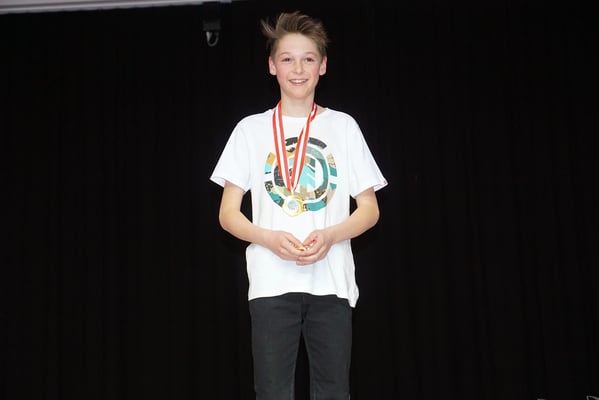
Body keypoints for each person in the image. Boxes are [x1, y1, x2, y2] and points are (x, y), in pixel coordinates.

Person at [210, 10, 388, 400]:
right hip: (271, 282)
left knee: (333, 391)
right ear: (272, 66)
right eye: (287, 59)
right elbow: (227, 214)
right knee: (272, 392)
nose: (298, 69)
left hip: (331, 281)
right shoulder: (250, 130)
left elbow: (370, 209)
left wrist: (331, 235)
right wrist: (268, 238)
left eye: (308, 59)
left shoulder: (344, 126)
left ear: (322, 66)